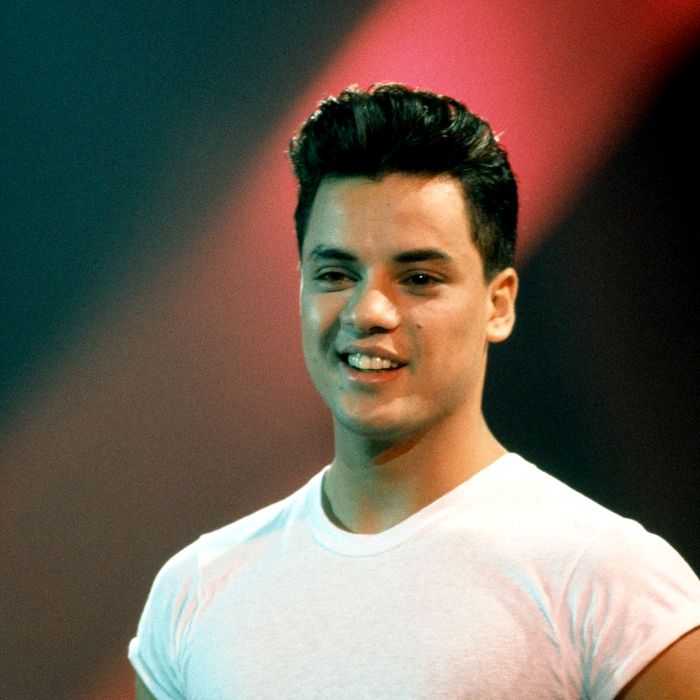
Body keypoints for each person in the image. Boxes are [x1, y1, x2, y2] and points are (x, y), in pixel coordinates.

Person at [129, 84, 700, 699]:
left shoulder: (612, 584)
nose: (367, 311)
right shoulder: (195, 592)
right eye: (335, 274)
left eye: (419, 278)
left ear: (499, 304)